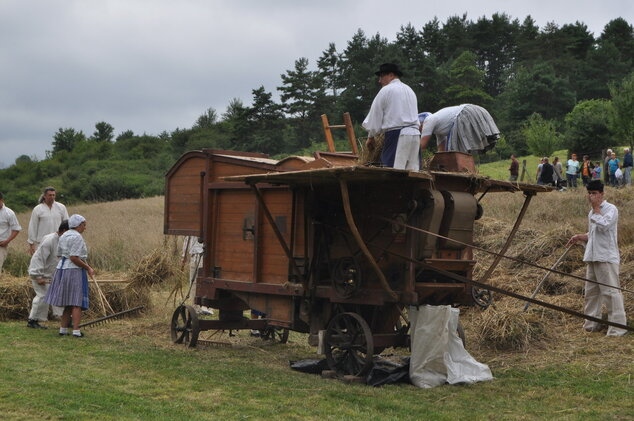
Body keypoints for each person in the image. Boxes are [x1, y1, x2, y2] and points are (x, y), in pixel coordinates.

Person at [566, 180, 627, 336]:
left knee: (611, 292)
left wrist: (596, 208)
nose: (591, 196)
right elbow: (593, 234)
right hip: (592, 256)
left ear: (601, 194)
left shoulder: (611, 209)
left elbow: (605, 225)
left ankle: (617, 329)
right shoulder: (592, 212)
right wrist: (581, 237)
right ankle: (591, 324)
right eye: (589, 193)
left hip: (606, 257)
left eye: (594, 193)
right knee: (591, 293)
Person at [362, 63, 420, 170]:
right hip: (416, 135)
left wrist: (370, 136)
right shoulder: (410, 90)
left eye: (381, 76)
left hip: (397, 135)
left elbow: (375, 116)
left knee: (392, 172)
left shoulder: (386, 90)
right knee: (414, 173)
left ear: (391, 75)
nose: (379, 80)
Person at [45, 214, 94, 338]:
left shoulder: (64, 235)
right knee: (76, 302)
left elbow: (59, 255)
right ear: (78, 225)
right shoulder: (77, 237)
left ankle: (63, 329)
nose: (85, 228)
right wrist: (87, 267)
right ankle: (76, 331)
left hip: (62, 269)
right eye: (84, 225)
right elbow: (74, 258)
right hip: (73, 271)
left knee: (68, 302)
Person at [26, 220, 69, 329]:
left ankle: (65, 319)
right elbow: (38, 257)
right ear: (64, 230)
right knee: (42, 296)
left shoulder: (63, 241)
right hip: (40, 274)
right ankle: (32, 320)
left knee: (59, 294)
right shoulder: (50, 240)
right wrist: (38, 276)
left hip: (52, 275)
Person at [419, 104, 499, 154]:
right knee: (459, 150)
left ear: (421, 123)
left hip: (465, 114)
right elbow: (442, 151)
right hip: (473, 111)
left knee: (455, 149)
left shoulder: (428, 120)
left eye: (418, 127)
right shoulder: (439, 129)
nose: (419, 130)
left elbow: (422, 146)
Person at [28, 187, 69, 255]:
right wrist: (31, 243)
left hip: (58, 241)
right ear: (44, 196)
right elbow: (33, 226)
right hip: (42, 242)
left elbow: (67, 224)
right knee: (42, 264)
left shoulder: (61, 207)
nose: (52, 197)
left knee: (56, 263)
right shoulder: (38, 209)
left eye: (53, 195)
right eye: (50, 195)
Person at [182, 236, 213, 316]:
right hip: (193, 256)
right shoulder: (191, 225)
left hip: (203, 255)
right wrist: (183, 256)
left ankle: (205, 306)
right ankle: (195, 306)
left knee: (203, 282)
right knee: (193, 282)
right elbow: (186, 239)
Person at [0, 192, 22, 272]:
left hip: (1, 245)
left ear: (1, 200)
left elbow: (16, 229)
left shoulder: (9, 213)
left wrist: (7, 241)